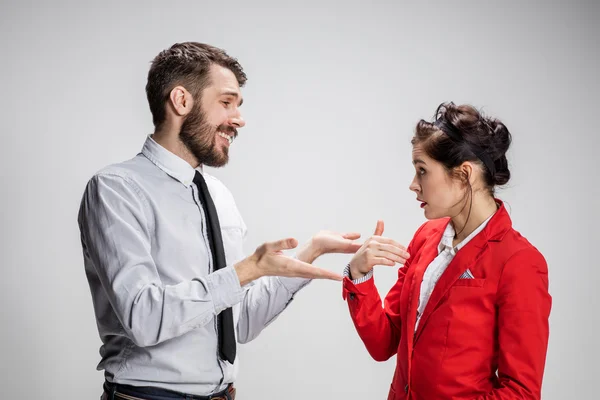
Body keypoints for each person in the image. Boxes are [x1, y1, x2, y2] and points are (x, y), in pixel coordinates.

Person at [77, 42, 361, 400]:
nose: (239, 119)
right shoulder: (117, 190)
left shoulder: (219, 196)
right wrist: (245, 271)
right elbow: (144, 318)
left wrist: (308, 254)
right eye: (226, 103)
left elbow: (237, 324)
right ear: (181, 101)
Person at [342, 102, 552, 399]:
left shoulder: (519, 262)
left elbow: (520, 392)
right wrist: (360, 275)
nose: (413, 185)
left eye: (422, 171)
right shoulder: (426, 237)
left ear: (464, 174)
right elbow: (384, 343)